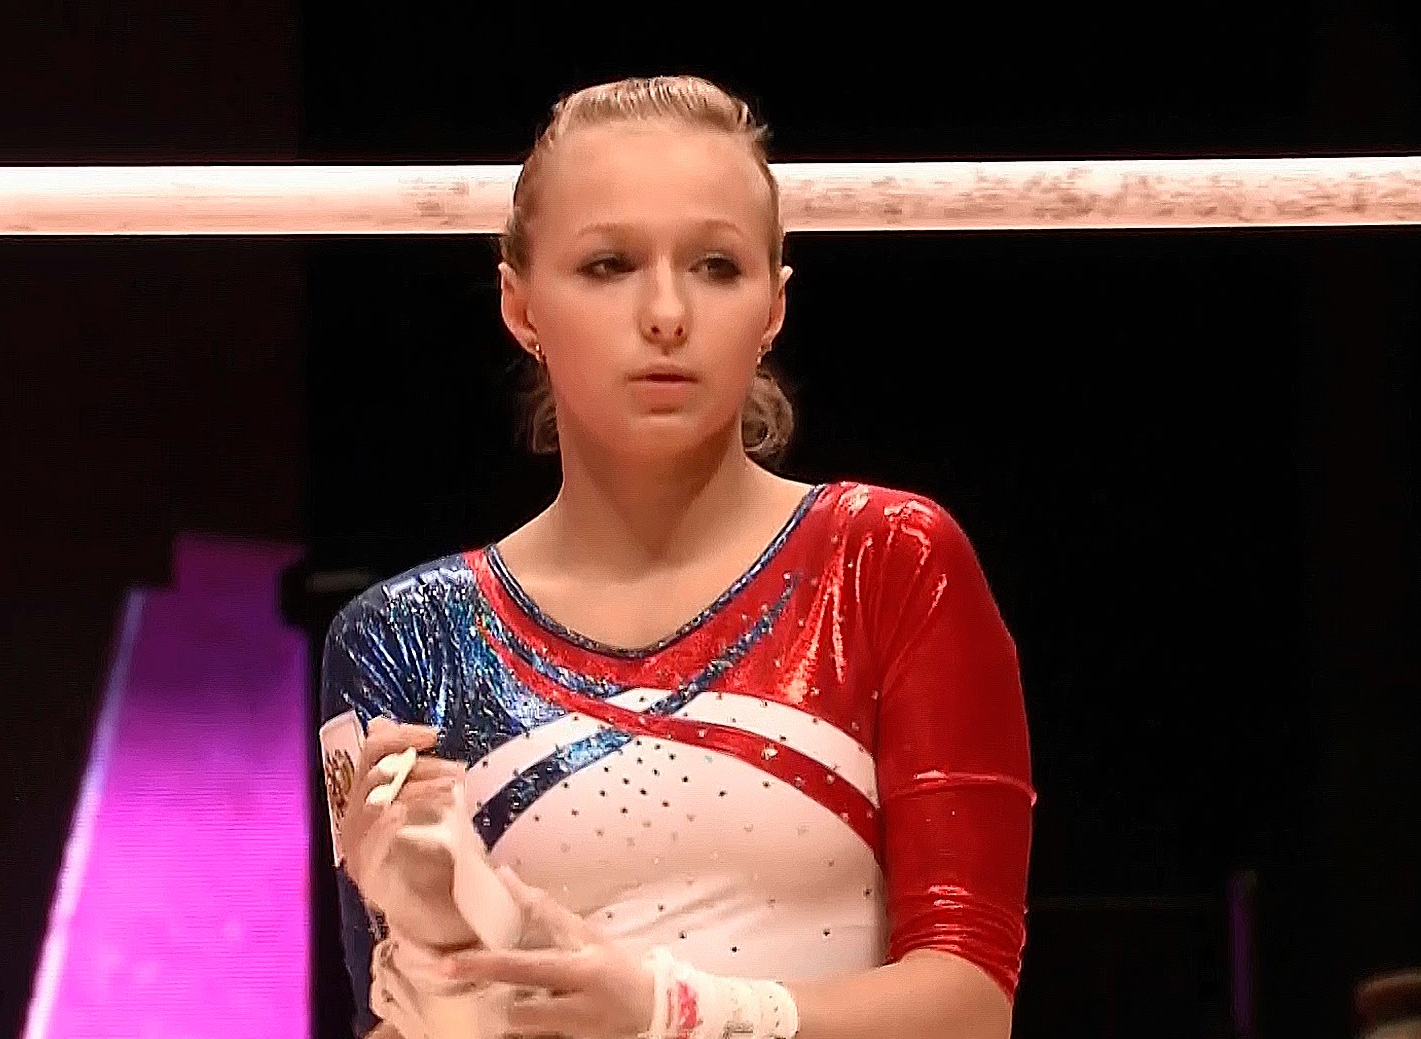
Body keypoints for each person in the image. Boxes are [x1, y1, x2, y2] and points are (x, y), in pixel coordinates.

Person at [318, 75, 1034, 1039]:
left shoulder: (890, 561)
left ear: (774, 305)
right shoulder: (401, 639)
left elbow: (972, 1006)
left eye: (715, 266)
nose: (665, 312)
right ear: (520, 305)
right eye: (609, 264)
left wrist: (674, 1012)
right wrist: (437, 970)